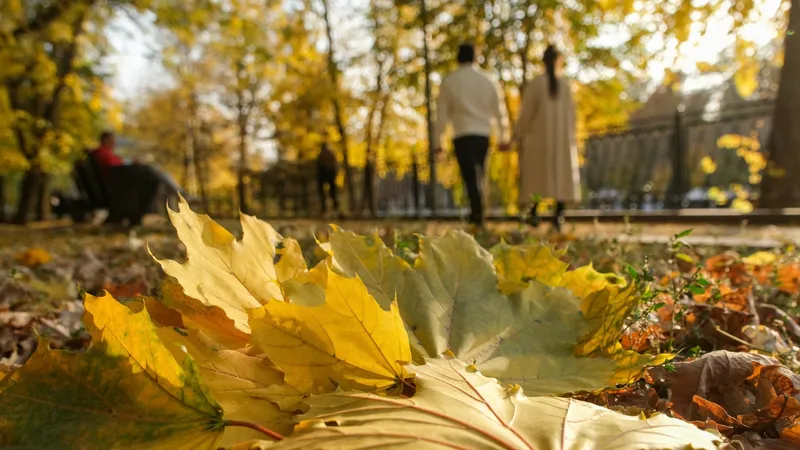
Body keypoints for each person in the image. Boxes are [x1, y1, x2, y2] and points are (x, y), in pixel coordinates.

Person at [434, 43, 508, 227]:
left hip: (463, 134)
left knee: (470, 177)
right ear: (476, 58)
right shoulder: (487, 80)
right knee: (479, 174)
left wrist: (438, 141)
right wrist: (503, 136)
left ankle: (478, 215)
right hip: (483, 134)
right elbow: (499, 111)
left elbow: (442, 115)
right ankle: (479, 214)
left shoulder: (450, 81)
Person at [509, 45, 580, 232]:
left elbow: (525, 114)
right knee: (559, 175)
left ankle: (534, 214)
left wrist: (517, 135)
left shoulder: (537, 85)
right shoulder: (565, 86)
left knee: (536, 177)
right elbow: (572, 117)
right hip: (561, 140)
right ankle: (558, 215)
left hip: (539, 140)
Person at [317, 141, 340, 217]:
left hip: (326, 174)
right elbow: (335, 165)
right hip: (329, 175)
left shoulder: (322, 155)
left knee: (328, 192)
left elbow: (319, 166)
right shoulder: (330, 154)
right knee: (331, 192)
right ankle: (332, 207)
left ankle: (328, 208)